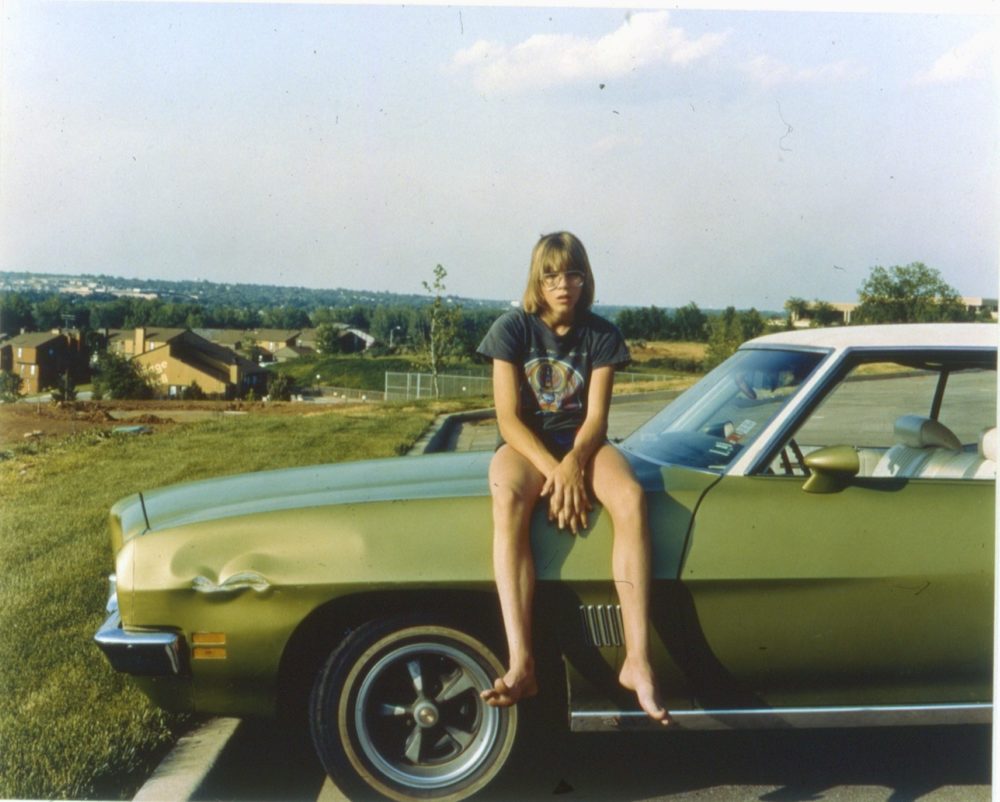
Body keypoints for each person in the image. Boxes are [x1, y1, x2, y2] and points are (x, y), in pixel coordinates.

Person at [476, 231, 669, 724]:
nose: (564, 285)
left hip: (584, 444)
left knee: (629, 496)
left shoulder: (601, 334)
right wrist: (554, 471)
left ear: (586, 279)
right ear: (537, 281)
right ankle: (522, 663)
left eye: (573, 274)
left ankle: (637, 660)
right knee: (507, 496)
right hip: (527, 445)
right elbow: (507, 420)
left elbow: (597, 421)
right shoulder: (512, 329)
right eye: (552, 275)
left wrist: (573, 465)